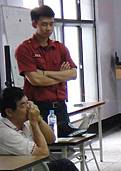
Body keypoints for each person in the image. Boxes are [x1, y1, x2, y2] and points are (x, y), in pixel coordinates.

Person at [15, 5, 81, 137]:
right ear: (34, 24)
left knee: (65, 144)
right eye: (44, 24)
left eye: (51, 24)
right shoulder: (24, 49)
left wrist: (45, 73)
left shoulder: (60, 48)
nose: (49, 28)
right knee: (43, 145)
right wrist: (62, 75)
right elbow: (35, 80)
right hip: (38, 107)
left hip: (60, 106)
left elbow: (73, 74)